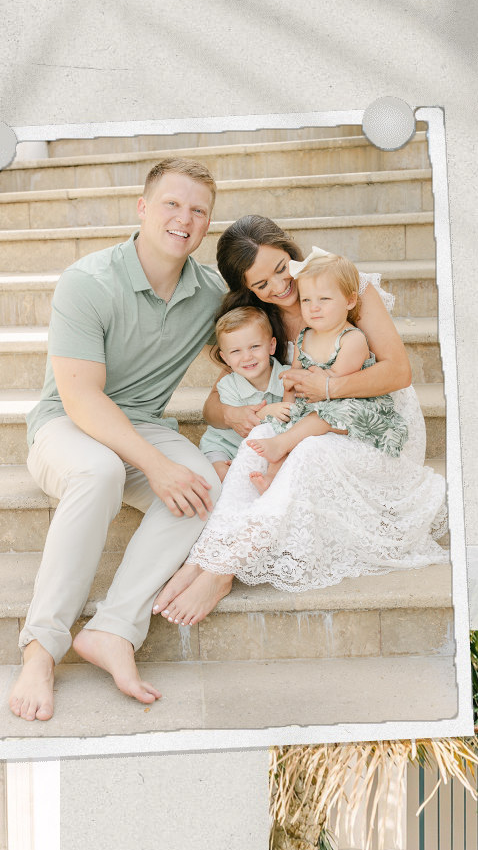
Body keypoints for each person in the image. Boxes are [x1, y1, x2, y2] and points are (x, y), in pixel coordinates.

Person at [7, 157, 226, 722]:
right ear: (143, 208)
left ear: (207, 225)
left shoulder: (210, 295)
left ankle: (112, 631)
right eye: (172, 204)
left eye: (199, 210)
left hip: (143, 423)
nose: (185, 218)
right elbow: (80, 398)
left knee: (204, 486)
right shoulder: (88, 281)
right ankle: (41, 648)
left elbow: (271, 327)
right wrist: (155, 465)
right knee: (99, 472)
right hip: (66, 426)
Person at [153, 247, 446, 620]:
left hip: (364, 416)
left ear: (290, 255)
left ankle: (221, 572)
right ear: (249, 289)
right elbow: (215, 402)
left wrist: (320, 390)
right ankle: (203, 557)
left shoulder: (336, 282)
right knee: (259, 435)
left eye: (281, 270)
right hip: (310, 411)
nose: (280, 286)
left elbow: (397, 373)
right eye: (262, 283)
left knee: (307, 451)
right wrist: (235, 412)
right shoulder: (261, 321)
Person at [242, 253, 410, 493]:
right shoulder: (305, 336)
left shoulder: (352, 339)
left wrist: (300, 381)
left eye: (324, 299)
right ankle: (271, 476)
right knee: (288, 425)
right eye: (307, 300)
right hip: (313, 402)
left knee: (318, 418)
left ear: (350, 301)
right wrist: (289, 405)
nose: (314, 308)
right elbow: (293, 376)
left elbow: (335, 382)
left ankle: (280, 445)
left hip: (349, 405)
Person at [198, 304, 289, 483]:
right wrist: (270, 410)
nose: (247, 357)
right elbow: (246, 425)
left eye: (254, 346)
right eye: (236, 351)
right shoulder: (228, 386)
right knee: (222, 475)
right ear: (226, 359)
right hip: (225, 446)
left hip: (267, 447)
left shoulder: (287, 377)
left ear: (271, 346)